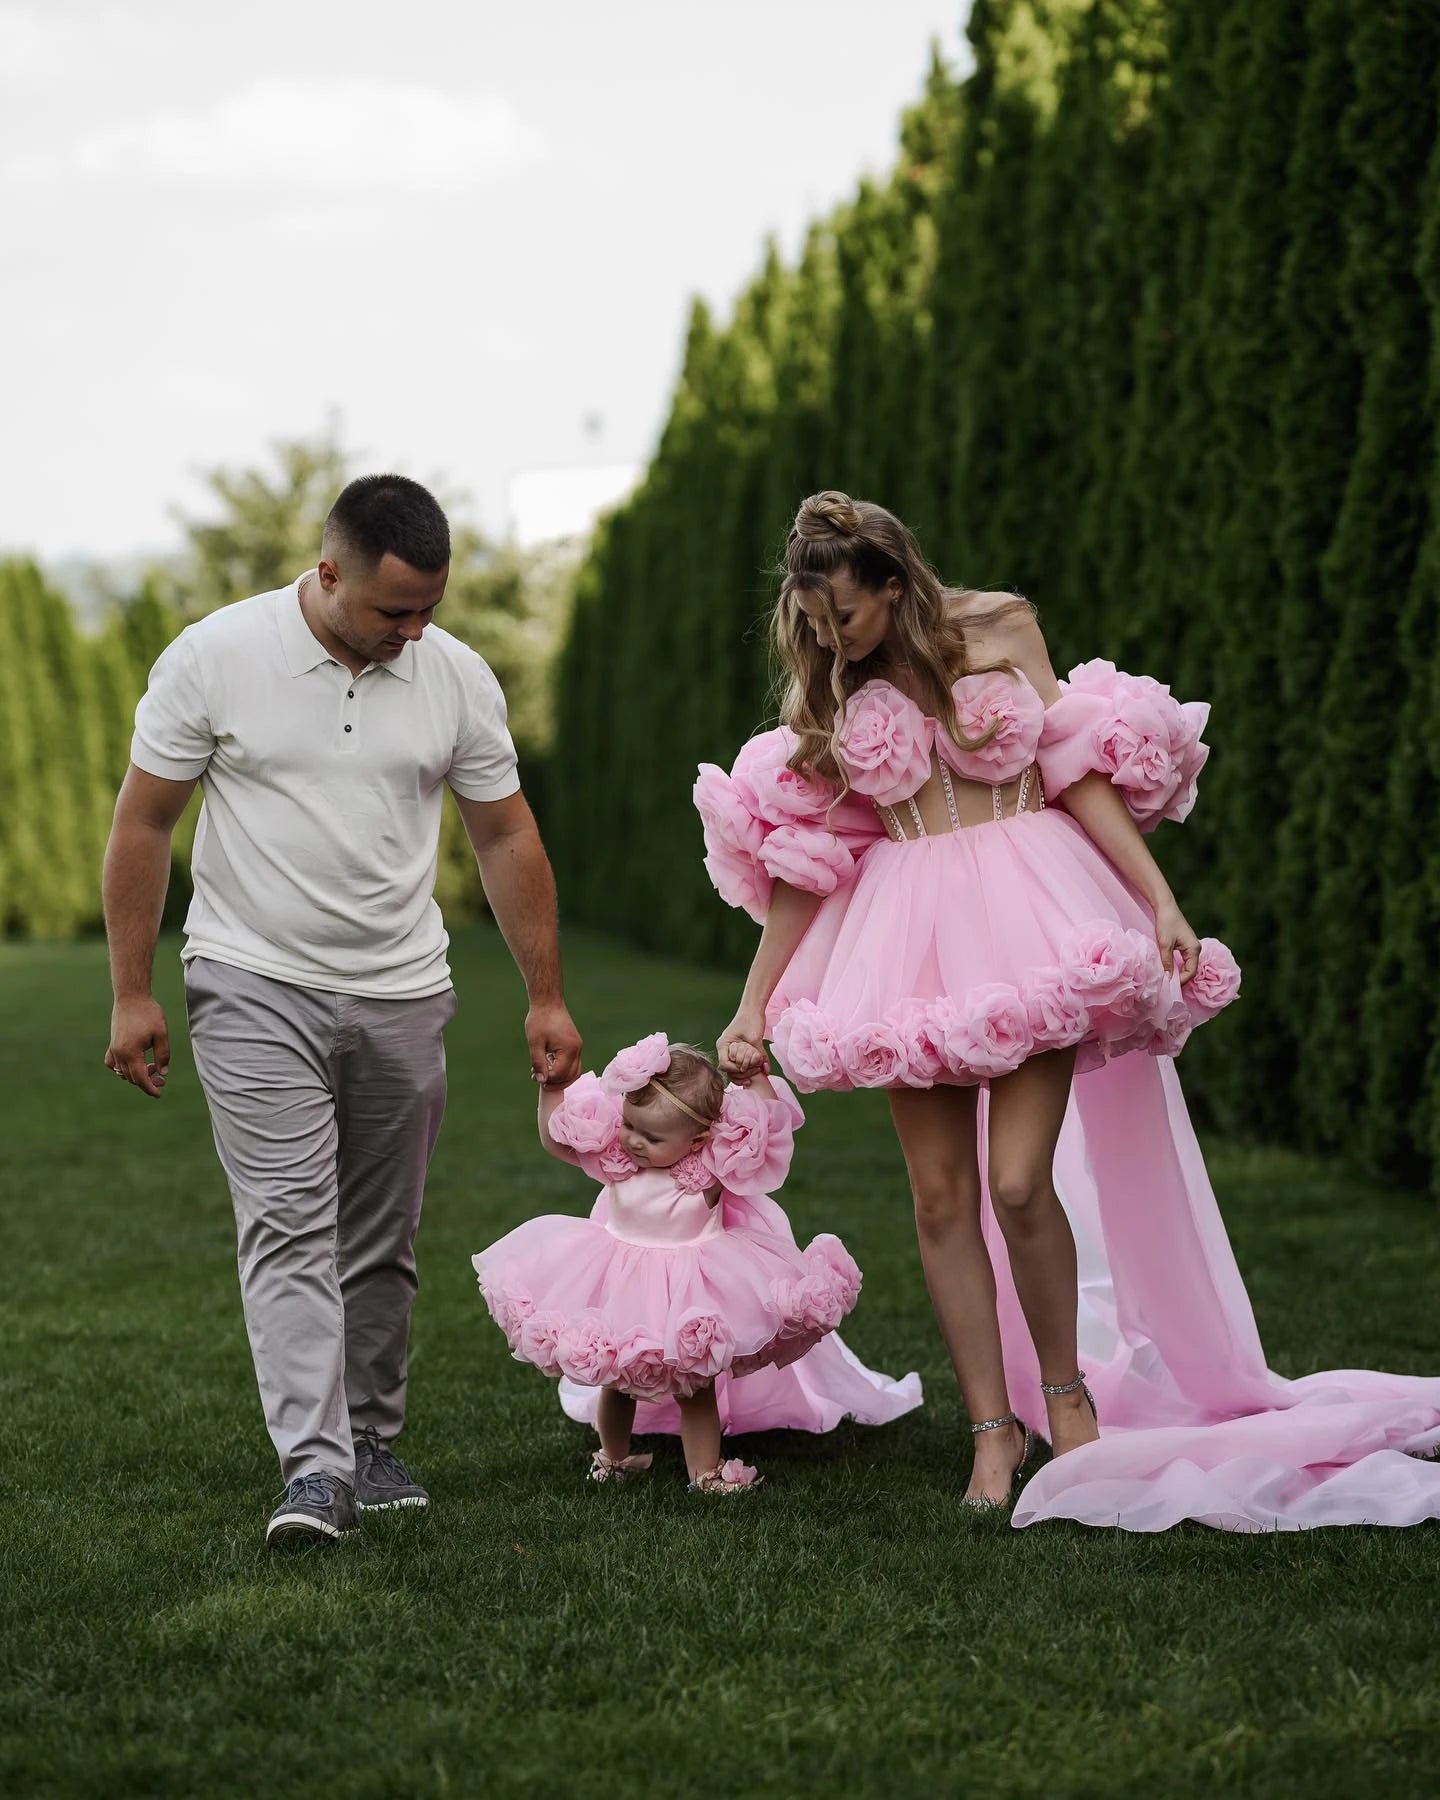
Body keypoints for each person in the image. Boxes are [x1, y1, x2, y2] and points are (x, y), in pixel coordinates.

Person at [699, 490, 1440, 1529]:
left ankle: (1068, 1400)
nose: (832, 641)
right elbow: (809, 868)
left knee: (1015, 1183)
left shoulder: (999, 626)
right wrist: (751, 1008)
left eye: (845, 619)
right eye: (815, 628)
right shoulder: (832, 692)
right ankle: (990, 1430)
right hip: (906, 941)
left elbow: (1071, 769)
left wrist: (1160, 900)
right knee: (941, 1199)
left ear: (893, 580)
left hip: (1034, 919)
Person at [102, 473, 582, 1546]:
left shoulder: (454, 676)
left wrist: (544, 994)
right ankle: (314, 1471)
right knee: (287, 1225)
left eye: (429, 611)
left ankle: (370, 1439)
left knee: (381, 1237)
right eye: (392, 611)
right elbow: (144, 826)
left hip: (403, 987)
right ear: (328, 574)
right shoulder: (215, 657)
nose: (413, 633)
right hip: (250, 976)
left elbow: (503, 836)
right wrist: (132, 990)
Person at [471, 1032, 920, 1492]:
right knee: (616, 1379)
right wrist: (551, 1091)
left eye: (652, 1136)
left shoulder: (708, 1172)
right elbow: (558, 1140)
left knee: (696, 1386)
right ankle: (613, 1457)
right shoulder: (616, 1159)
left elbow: (767, 1131)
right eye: (630, 1125)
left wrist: (754, 1079)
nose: (634, 1141)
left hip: (690, 1295)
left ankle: (704, 1472)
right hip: (618, 1284)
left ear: (698, 1139)